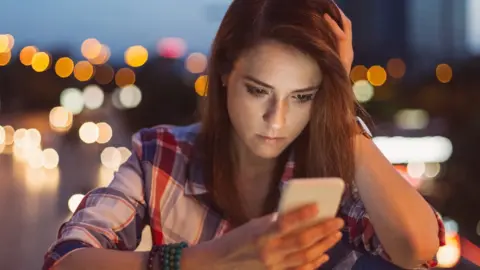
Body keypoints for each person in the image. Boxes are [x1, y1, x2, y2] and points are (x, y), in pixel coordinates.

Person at [43, 0, 445, 269]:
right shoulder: (163, 154)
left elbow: (419, 248)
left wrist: (339, 112)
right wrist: (213, 258)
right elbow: (68, 259)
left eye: (302, 96)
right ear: (223, 74)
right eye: (258, 91)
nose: (277, 118)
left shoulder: (329, 173)